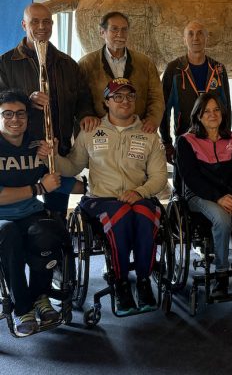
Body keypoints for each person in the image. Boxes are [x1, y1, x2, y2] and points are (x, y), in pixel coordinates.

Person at [49, 78, 168, 314]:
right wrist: (51, 156)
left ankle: (143, 281)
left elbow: (159, 177)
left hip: (139, 197)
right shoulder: (91, 131)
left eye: (130, 96)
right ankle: (120, 282)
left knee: (146, 215)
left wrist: (140, 192)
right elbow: (72, 167)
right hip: (100, 200)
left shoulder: (148, 134)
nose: (125, 101)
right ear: (106, 102)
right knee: (121, 215)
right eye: (118, 96)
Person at [0, 3, 97, 216]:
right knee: (18, 211)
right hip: (20, 153)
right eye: (35, 21)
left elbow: (82, 98)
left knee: (56, 215)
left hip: (57, 149)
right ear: (24, 24)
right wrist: (27, 101)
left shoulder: (68, 64)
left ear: (52, 24)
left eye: (46, 22)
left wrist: (86, 115)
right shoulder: (5, 63)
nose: (41, 26)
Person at [0, 89, 71, 337]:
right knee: (9, 234)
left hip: (29, 213)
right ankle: (23, 309)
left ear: (28, 117)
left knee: (48, 231)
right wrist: (38, 188)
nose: (15, 119)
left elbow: (57, 178)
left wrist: (53, 157)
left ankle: (41, 297)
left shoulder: (36, 145)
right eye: (7, 114)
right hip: (2, 219)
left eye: (20, 113)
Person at [174, 92, 232, 296]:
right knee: (222, 219)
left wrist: (231, 196)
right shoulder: (186, 141)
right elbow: (190, 177)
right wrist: (218, 197)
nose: (212, 115)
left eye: (216, 110)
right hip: (198, 195)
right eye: (206, 111)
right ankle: (221, 272)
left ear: (223, 113)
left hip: (231, 193)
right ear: (198, 116)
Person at [78, 11, 164, 134]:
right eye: (114, 29)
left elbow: (156, 97)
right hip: (99, 133)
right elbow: (80, 97)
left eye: (124, 29)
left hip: (138, 131)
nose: (120, 34)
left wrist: (153, 119)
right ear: (102, 32)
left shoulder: (145, 63)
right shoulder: (86, 64)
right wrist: (86, 115)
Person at [161, 20, 231, 164]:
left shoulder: (218, 69)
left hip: (214, 141)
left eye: (200, 33)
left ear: (206, 38)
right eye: (190, 34)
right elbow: (164, 109)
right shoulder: (174, 69)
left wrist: (226, 137)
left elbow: (226, 107)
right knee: (184, 178)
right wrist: (167, 142)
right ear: (184, 39)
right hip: (184, 140)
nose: (195, 38)